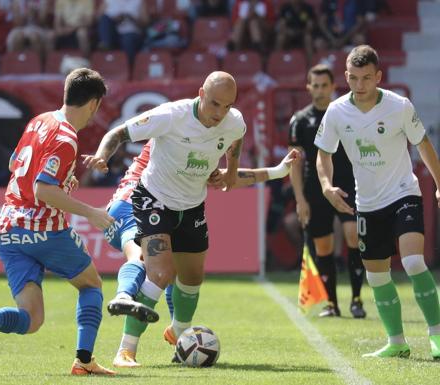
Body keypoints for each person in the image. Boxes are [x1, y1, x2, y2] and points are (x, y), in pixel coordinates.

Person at [83, 71, 294, 364]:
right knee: (159, 272)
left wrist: (232, 168)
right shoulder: (171, 116)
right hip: (152, 200)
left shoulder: (234, 122)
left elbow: (238, 136)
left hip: (192, 207)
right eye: (215, 104)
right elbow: (118, 133)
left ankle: (180, 339)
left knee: (192, 278)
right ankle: (126, 349)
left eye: (227, 106)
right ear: (201, 93)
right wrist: (102, 156)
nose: (220, 113)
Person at [0, 68, 116, 375]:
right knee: (91, 285)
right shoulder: (67, 138)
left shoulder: (39, 121)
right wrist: (92, 213)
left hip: (7, 228)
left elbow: (13, 162)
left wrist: (57, 182)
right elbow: (43, 190)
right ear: (94, 103)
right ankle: (84, 361)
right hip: (43, 229)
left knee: (31, 319)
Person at [103, 139, 300, 367]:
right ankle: (125, 330)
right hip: (131, 204)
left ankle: (179, 332)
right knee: (146, 260)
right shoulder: (177, 133)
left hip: (169, 208)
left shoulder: (200, 144)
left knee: (182, 273)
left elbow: (224, 178)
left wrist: (277, 171)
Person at [315, 45, 440, 358]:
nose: (360, 85)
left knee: (413, 262)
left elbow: (423, 145)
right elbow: (324, 154)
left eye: (367, 78)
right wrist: (326, 185)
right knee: (377, 275)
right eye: (354, 78)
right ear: (346, 77)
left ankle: (437, 334)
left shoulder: (399, 106)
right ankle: (397, 342)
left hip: (403, 192)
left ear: (379, 77)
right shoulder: (336, 111)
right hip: (368, 203)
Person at [288, 63, 366, 318]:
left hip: (348, 184)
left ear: (334, 86)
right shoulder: (299, 121)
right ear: (308, 87)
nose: (320, 90)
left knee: (353, 233)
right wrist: (300, 199)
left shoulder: (348, 113)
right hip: (314, 188)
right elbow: (295, 163)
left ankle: (357, 299)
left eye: (325, 85)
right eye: (315, 85)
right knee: (323, 247)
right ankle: (332, 304)